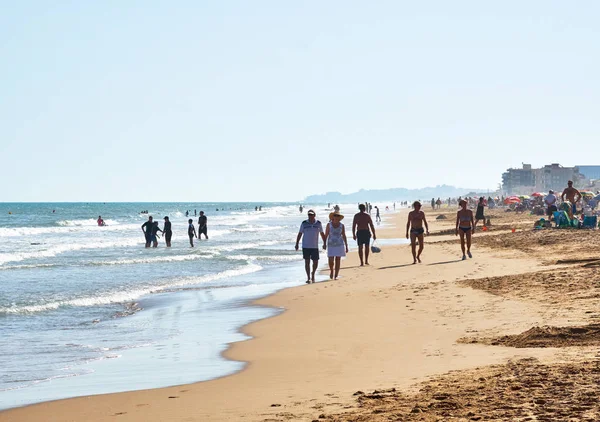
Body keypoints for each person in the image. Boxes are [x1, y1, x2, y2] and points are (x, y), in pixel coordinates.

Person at [295, 210, 326, 284]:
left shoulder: (318, 223)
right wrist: (297, 243)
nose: (310, 216)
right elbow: (300, 233)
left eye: (311, 215)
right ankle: (308, 277)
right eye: (309, 215)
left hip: (314, 246)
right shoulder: (304, 223)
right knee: (307, 262)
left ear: (314, 215)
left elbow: (322, 233)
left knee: (315, 262)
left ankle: (313, 273)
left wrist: (324, 243)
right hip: (306, 246)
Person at [324, 212, 349, 280]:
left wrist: (346, 245)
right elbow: (326, 235)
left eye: (338, 216)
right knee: (330, 259)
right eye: (335, 215)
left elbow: (344, 235)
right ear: (333, 217)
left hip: (339, 244)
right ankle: (332, 270)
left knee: (338, 259)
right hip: (331, 244)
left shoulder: (342, 225)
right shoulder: (329, 225)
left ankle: (336, 274)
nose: (336, 217)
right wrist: (324, 243)